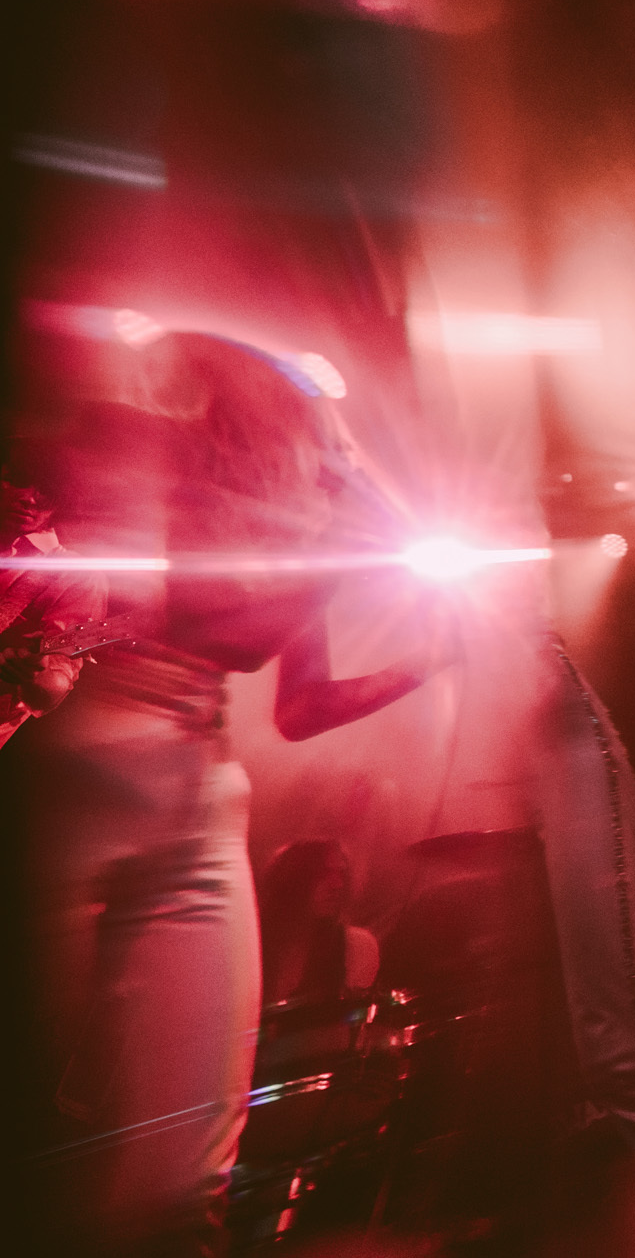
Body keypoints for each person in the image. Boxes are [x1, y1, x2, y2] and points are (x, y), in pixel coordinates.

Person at [20, 332, 452, 1257]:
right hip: (87, 778)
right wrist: (343, 527)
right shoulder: (149, 459)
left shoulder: (294, 530)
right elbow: (217, 622)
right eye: (315, 422)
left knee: (183, 1180)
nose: (331, 438)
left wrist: (421, 661)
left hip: (206, 796)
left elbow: (296, 704)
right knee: (40, 1136)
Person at [0, 453, 106, 749]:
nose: (31, 500)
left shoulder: (78, 575)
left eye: (46, 491)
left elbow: (54, 687)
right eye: (20, 480)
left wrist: (38, 670)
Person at [256, 839, 379, 1004]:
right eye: (323, 874)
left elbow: (346, 1024)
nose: (337, 884)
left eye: (341, 874)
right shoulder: (254, 942)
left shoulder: (355, 947)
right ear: (292, 877)